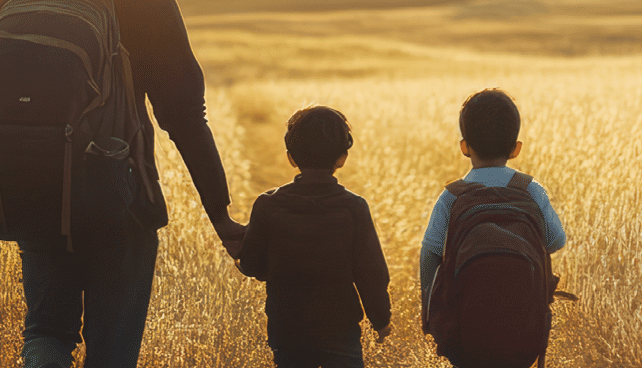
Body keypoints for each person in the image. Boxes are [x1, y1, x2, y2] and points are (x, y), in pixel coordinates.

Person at [0, 0, 245, 366]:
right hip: (119, 201)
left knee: (46, 333)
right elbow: (185, 118)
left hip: (32, 192)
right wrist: (220, 215)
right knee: (111, 354)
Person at [237, 106, 394, 368]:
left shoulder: (267, 205)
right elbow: (371, 272)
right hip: (340, 331)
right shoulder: (354, 207)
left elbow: (253, 266)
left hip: (287, 332)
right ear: (342, 158)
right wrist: (381, 319)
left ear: (291, 157)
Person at [418, 88, 569, 303]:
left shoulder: (452, 197)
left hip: (465, 321)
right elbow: (556, 240)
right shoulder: (531, 190)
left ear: (465, 147)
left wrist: (430, 309)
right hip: (526, 320)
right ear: (515, 149)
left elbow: (430, 253)